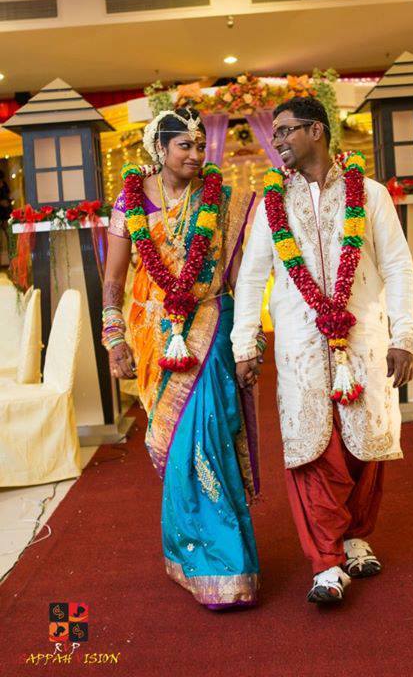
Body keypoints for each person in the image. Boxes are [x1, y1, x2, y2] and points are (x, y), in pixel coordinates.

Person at [231, 96, 413, 605]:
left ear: (317, 131)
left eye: (288, 130)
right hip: (299, 345)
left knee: (366, 444)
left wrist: (404, 336)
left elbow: (398, 266)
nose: (279, 141)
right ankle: (326, 563)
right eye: (277, 132)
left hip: (365, 338)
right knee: (314, 448)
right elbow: (251, 279)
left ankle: (356, 536)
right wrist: (246, 341)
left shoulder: (372, 195)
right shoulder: (271, 204)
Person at [102, 108, 260, 610]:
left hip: (210, 325)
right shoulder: (129, 203)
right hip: (153, 337)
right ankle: (187, 553)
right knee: (172, 446)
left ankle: (227, 565)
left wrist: (247, 342)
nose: (196, 155)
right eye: (184, 147)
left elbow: (242, 276)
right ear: (159, 150)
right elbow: (112, 280)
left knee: (207, 437)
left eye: (199, 146)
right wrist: (114, 337)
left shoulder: (224, 200)